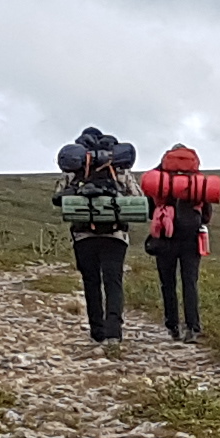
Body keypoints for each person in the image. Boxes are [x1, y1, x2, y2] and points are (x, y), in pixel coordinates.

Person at [52, 125, 141, 344]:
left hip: (83, 236)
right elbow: (137, 197)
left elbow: (57, 198)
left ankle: (96, 331)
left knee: (90, 281)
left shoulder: (74, 170)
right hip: (116, 235)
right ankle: (114, 332)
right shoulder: (120, 169)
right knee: (113, 282)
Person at [138, 142, 220, 342]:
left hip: (165, 239)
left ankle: (172, 326)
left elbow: (151, 210)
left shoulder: (160, 182)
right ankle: (193, 328)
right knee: (189, 282)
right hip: (191, 238)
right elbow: (206, 215)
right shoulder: (197, 183)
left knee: (167, 283)